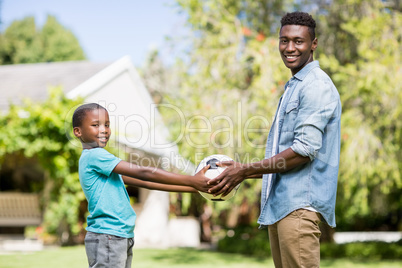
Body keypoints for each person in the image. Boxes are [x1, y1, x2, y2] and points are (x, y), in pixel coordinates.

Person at [208, 11, 341, 268]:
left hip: (299, 208)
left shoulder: (315, 85)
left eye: (298, 41)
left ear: (314, 44)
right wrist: (239, 171)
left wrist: (245, 170)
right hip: (283, 207)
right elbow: (284, 157)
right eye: (284, 40)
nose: (289, 48)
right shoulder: (295, 86)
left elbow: (303, 151)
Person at [72, 103, 210, 268]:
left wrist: (196, 188)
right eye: (96, 125)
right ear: (78, 131)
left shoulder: (101, 162)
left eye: (107, 125)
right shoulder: (95, 155)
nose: (104, 130)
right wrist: (192, 180)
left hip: (118, 235)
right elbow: (143, 172)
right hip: (108, 235)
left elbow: (147, 182)